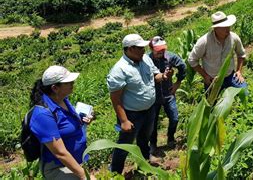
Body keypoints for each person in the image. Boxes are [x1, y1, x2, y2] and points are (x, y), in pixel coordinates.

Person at [107, 34, 165, 174]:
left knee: (144, 138)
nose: (144, 50)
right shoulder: (119, 70)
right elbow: (116, 99)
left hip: (149, 109)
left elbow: (155, 76)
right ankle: (115, 172)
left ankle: (144, 162)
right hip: (132, 114)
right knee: (125, 144)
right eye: (140, 48)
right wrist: (124, 120)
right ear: (130, 49)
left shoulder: (145, 59)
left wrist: (163, 76)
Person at [29, 65, 94, 180]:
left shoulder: (62, 99)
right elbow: (60, 153)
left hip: (73, 161)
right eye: (68, 82)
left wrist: (81, 120)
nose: (73, 83)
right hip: (58, 166)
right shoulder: (42, 115)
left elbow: (65, 122)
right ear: (55, 88)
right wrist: (84, 176)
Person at [188, 11, 247, 92]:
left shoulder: (234, 38)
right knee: (212, 104)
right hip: (212, 79)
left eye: (228, 26)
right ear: (215, 28)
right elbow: (192, 59)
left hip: (230, 76)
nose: (228, 29)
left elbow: (241, 54)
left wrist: (239, 71)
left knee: (244, 91)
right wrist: (205, 76)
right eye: (224, 27)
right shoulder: (204, 41)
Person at [148, 36, 186, 152]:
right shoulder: (146, 60)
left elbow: (182, 67)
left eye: (163, 49)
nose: (161, 52)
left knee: (174, 118)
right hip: (153, 96)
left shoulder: (170, 57)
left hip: (168, 93)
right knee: (153, 122)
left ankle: (170, 138)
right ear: (151, 49)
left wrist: (177, 83)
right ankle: (153, 144)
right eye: (158, 50)